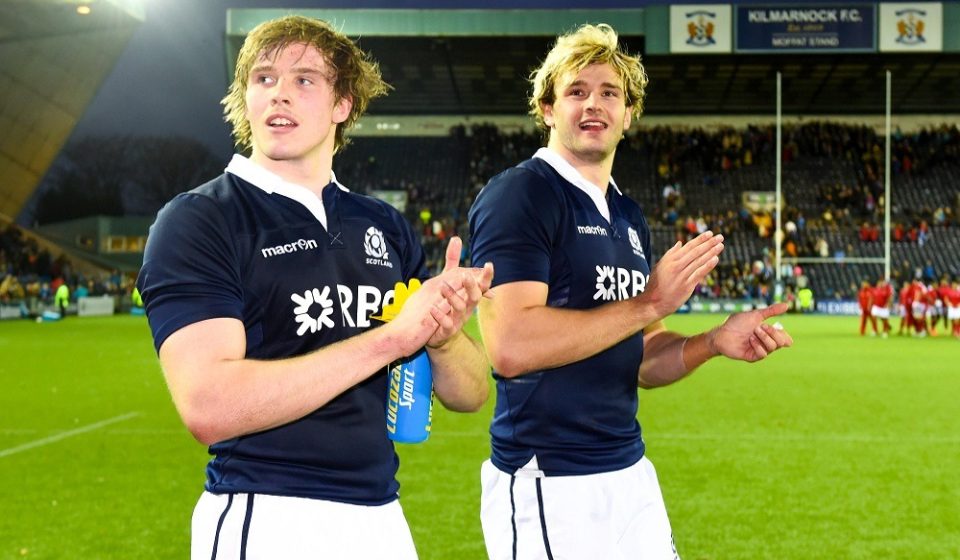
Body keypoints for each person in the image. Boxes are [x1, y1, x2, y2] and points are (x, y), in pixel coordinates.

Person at [136, 15, 493, 560]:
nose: (280, 93)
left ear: (342, 104)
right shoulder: (199, 219)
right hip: (267, 515)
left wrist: (442, 337)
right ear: (246, 98)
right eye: (263, 78)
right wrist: (393, 340)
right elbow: (207, 407)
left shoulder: (383, 225)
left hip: (382, 517)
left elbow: (470, 395)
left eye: (304, 79)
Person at [468, 23, 793, 560]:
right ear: (547, 108)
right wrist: (650, 302)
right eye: (576, 91)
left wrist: (711, 341)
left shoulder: (628, 214)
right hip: (551, 478)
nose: (593, 104)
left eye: (609, 93)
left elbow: (642, 354)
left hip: (629, 471)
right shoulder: (521, 194)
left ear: (628, 113)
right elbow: (511, 346)